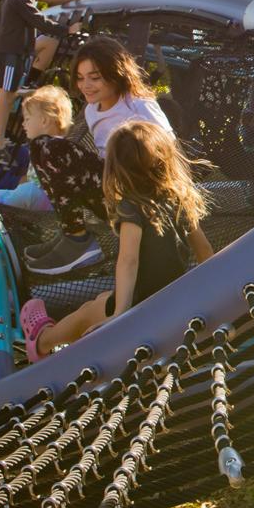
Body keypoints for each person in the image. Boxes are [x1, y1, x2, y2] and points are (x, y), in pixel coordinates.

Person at [18, 121, 215, 361]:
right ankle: (80, 343)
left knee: (89, 311)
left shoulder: (131, 205)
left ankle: (41, 342)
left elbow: (129, 260)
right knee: (101, 300)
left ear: (116, 168)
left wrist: (120, 314)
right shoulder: (178, 198)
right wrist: (212, 290)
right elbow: (205, 251)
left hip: (142, 304)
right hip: (172, 297)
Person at [22, 38, 174, 275]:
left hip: (138, 192)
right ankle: (72, 233)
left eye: (95, 77)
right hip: (108, 188)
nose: (86, 85)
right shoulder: (93, 110)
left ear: (116, 74)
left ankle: (77, 240)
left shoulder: (138, 105)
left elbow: (170, 149)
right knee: (41, 146)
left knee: (50, 147)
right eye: (81, 78)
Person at [0, 0, 84, 163]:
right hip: (9, 51)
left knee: (8, 95)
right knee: (6, 95)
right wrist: (67, 29)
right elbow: (38, 19)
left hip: (12, 51)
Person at [0, 86, 72, 212]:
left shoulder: (48, 145)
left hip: (42, 197)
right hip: (49, 200)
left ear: (44, 121)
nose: (23, 124)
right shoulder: (61, 144)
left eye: (27, 119)